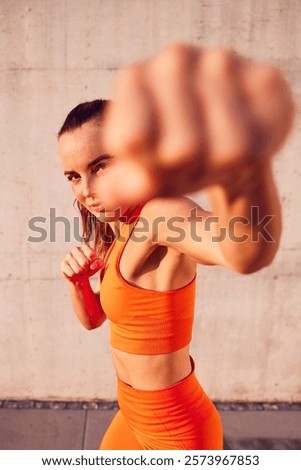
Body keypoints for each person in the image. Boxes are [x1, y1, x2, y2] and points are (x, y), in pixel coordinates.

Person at [57, 45, 294, 450]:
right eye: (73, 176)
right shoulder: (119, 229)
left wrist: (241, 173)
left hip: (175, 429)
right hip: (131, 414)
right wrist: (77, 282)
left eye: (100, 166)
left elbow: (242, 249)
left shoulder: (158, 214)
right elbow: (96, 320)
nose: (87, 191)